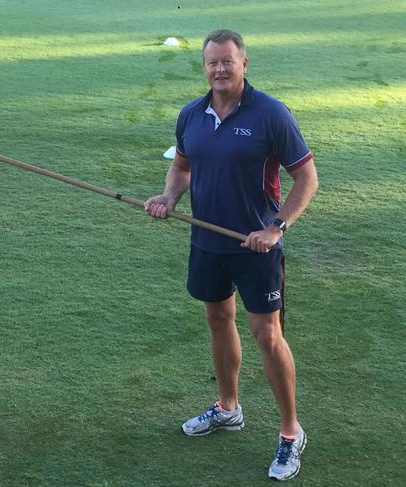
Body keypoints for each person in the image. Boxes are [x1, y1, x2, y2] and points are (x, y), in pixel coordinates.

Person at [145, 29, 318, 481]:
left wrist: (275, 227)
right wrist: (169, 198)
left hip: (256, 248)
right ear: (204, 67)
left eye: (227, 61)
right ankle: (228, 408)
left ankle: (289, 432)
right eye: (212, 63)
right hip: (207, 240)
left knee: (266, 334)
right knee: (217, 320)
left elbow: (307, 179)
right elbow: (182, 167)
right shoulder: (192, 115)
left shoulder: (270, 115)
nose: (219, 69)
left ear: (244, 64)